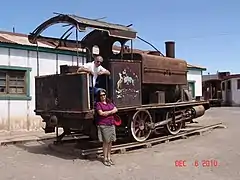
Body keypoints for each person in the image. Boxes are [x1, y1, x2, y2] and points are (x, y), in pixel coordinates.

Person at [95, 89, 118, 166]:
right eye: (101, 95)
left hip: (111, 124)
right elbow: (101, 113)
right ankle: (105, 158)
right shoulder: (98, 104)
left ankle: (109, 157)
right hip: (104, 125)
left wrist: (107, 112)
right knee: (105, 142)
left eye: (104, 95)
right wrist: (111, 112)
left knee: (110, 141)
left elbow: (116, 109)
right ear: (99, 96)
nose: (103, 96)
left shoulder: (109, 102)